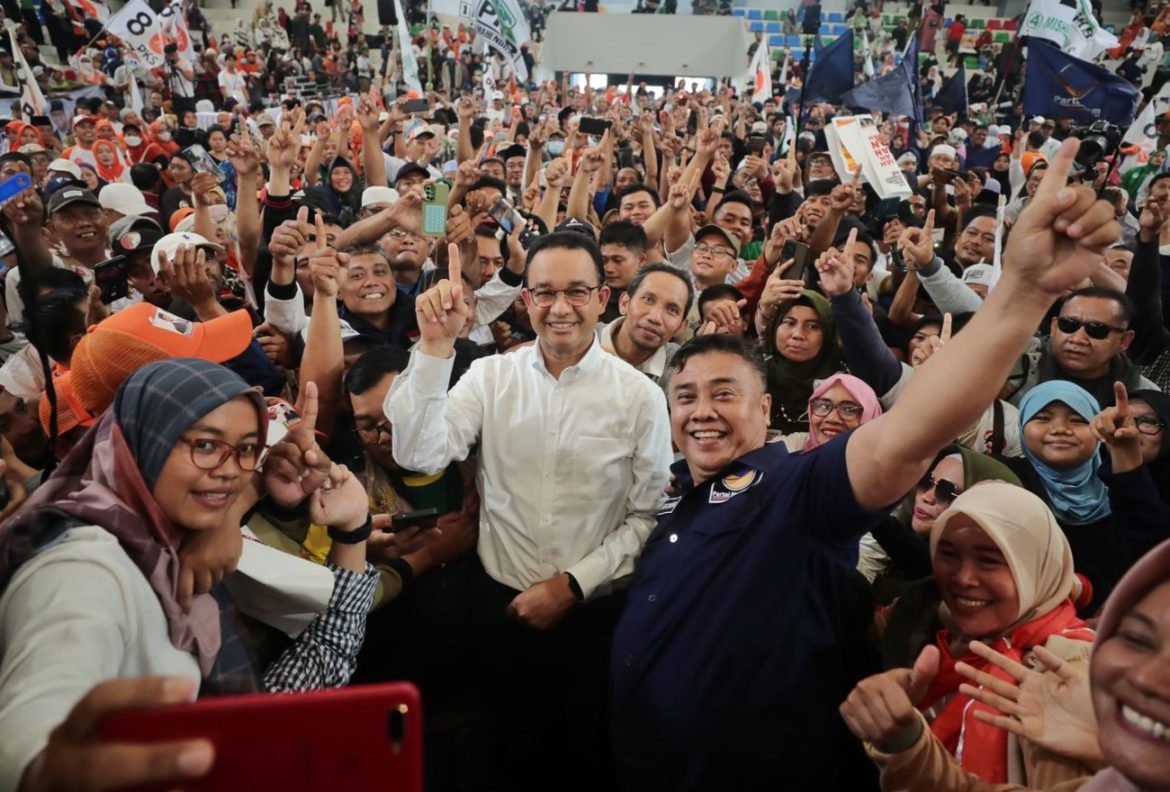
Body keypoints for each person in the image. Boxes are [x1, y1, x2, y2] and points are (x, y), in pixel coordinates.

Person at [608, 137, 1123, 790]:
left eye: (723, 394)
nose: (701, 411)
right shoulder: (682, 497)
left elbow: (906, 435)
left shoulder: (789, 486)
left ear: (766, 412)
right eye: (685, 396)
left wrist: (1022, 293)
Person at [0, 359, 378, 791]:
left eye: (248, 449)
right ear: (141, 439)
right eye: (204, 444)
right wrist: (40, 768)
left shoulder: (162, 549)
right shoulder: (82, 568)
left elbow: (285, 697)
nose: (230, 469)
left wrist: (346, 528)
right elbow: (34, 718)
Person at [385, 232, 672, 790]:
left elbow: (649, 517)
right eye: (543, 293)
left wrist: (572, 586)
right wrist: (436, 349)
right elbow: (417, 453)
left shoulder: (640, 396)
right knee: (506, 754)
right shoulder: (492, 377)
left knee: (586, 757)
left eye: (575, 292)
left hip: (593, 616)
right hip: (497, 608)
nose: (559, 308)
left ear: (601, 299)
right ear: (526, 300)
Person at [842, 534, 1170, 792]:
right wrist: (904, 738)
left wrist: (1101, 751)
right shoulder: (928, 630)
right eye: (1136, 639)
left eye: (990, 559)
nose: (964, 577)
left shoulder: (1064, 671)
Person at [869, 483, 1097, 785]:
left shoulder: (1074, 673)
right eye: (947, 554)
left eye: (989, 559)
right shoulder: (935, 633)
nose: (963, 578)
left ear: (1034, 566)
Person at [598, 263, 691, 387]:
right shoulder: (583, 340)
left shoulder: (681, 368)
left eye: (672, 310)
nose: (655, 317)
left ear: (681, 327)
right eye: (648, 299)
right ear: (625, 303)